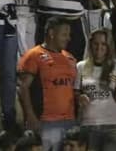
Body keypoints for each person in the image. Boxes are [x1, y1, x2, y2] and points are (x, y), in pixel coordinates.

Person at [18, 16, 77, 151]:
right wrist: (31, 116)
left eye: (69, 34)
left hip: (70, 121)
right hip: (45, 122)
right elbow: (23, 87)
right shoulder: (33, 55)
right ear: (51, 33)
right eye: (64, 34)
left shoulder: (70, 57)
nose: (68, 38)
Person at [74, 29, 116, 151]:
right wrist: (80, 98)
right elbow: (76, 93)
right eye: (96, 44)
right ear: (90, 44)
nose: (99, 47)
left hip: (114, 125)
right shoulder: (80, 66)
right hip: (89, 125)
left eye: (103, 44)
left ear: (109, 46)